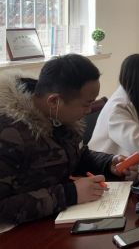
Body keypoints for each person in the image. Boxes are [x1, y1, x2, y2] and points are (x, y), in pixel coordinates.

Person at [0, 54, 132, 225]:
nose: (89, 110)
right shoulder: (8, 132)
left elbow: (77, 155)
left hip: (57, 218)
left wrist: (108, 163)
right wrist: (70, 194)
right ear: (54, 101)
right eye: (86, 104)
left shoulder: (58, 117)